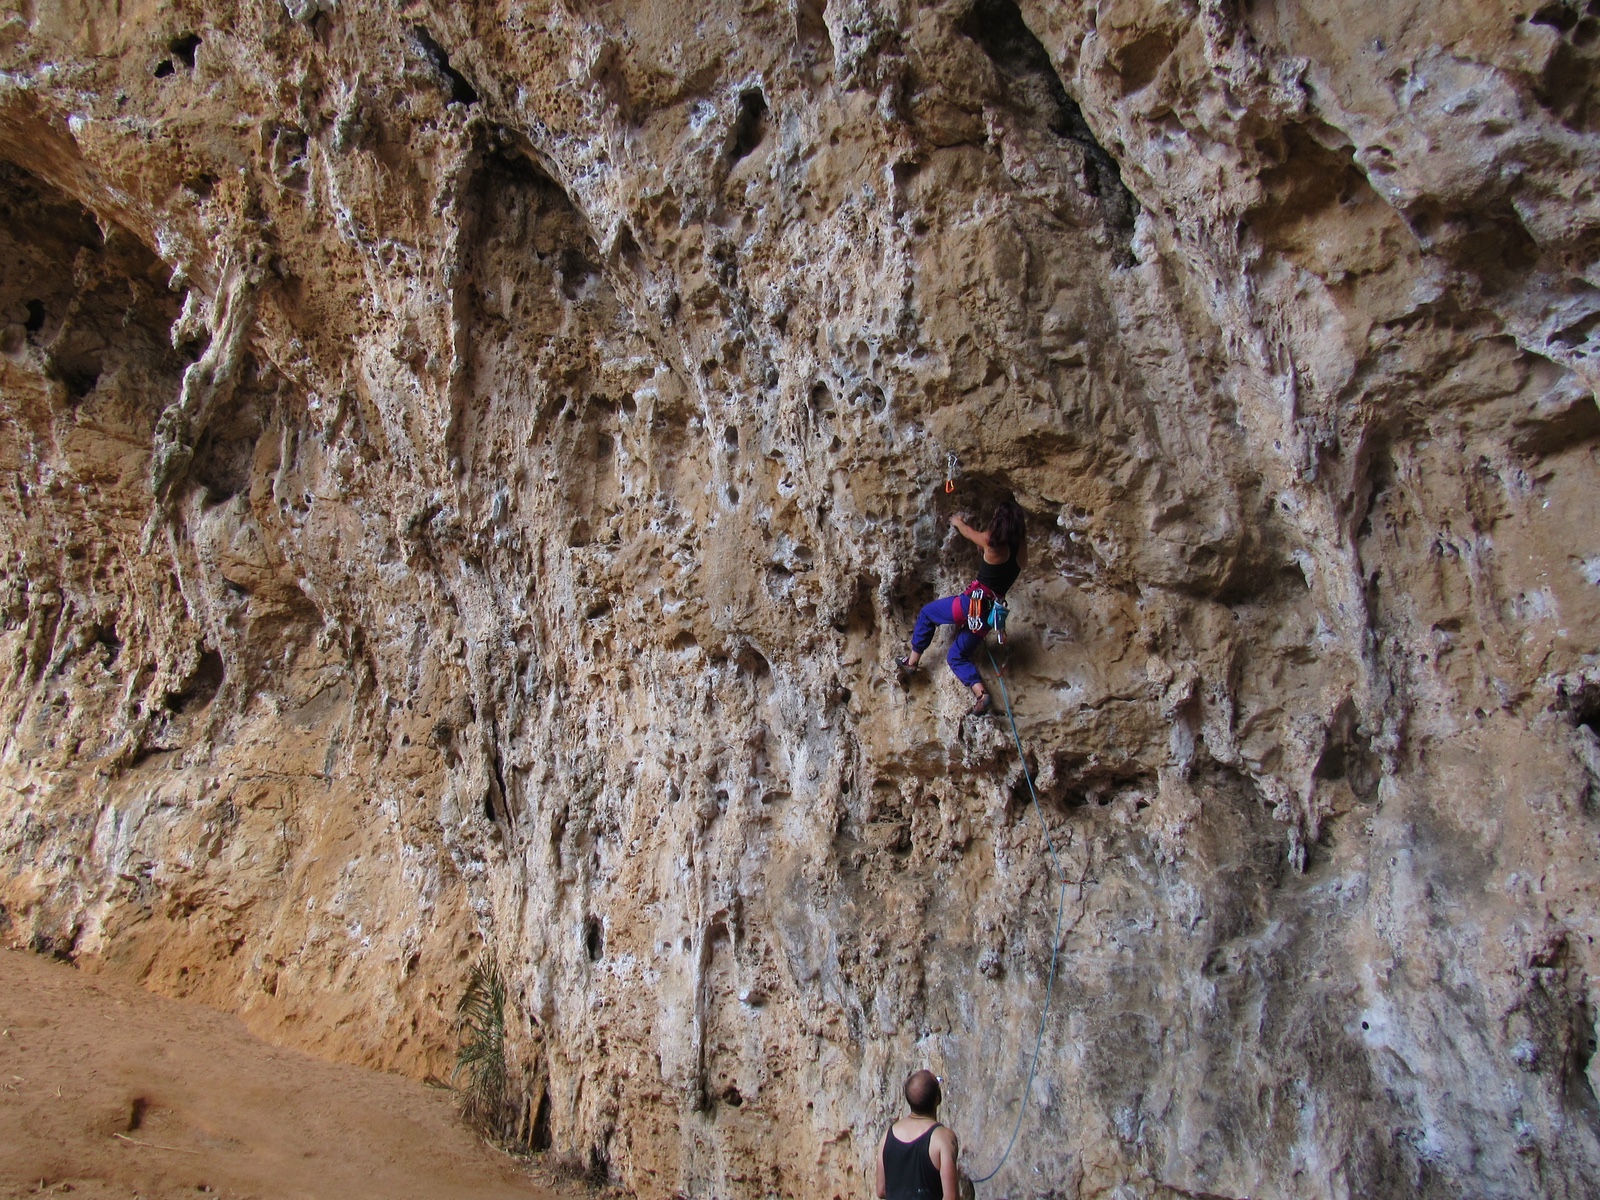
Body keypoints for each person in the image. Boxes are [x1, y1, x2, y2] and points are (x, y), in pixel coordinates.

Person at [896, 498, 1027, 715]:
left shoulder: (991, 542)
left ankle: (911, 661)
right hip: (990, 614)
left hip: (972, 604)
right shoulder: (1019, 549)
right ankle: (981, 694)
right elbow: (1009, 563)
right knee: (956, 656)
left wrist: (958, 522)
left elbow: (968, 533)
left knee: (928, 614)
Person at [876, 1069, 960, 1200]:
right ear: (938, 1099)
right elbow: (951, 1197)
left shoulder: (887, 1136)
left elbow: (881, 1190)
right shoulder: (943, 1138)